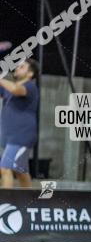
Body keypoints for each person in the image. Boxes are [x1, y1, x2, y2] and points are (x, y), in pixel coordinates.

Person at [0, 58, 40, 189]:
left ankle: (3, 205)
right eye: (17, 66)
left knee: (5, 168)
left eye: (22, 67)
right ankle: (30, 202)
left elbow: (16, 90)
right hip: (12, 137)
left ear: (30, 74)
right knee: (21, 172)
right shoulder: (9, 88)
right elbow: (9, 89)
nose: (17, 68)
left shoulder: (30, 86)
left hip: (21, 136)